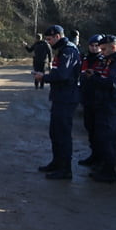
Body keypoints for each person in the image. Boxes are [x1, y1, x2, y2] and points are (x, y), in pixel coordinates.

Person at [37, 25, 82, 180]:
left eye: (49, 39)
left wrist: (43, 77)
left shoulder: (68, 51)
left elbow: (62, 75)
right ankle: (57, 163)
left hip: (66, 97)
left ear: (57, 36)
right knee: (55, 132)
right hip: (60, 96)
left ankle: (65, 169)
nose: (48, 42)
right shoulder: (63, 50)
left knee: (62, 134)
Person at [87, 35, 116, 183]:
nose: (101, 52)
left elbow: (111, 83)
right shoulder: (110, 61)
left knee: (108, 140)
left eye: (104, 49)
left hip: (112, 105)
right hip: (105, 104)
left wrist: (94, 78)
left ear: (113, 47)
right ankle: (104, 167)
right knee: (102, 138)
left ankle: (110, 172)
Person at [78, 33, 105, 167]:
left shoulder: (103, 60)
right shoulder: (86, 59)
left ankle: (100, 158)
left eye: (97, 46)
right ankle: (94, 155)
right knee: (89, 128)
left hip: (98, 99)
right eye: (92, 46)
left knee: (99, 132)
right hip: (87, 98)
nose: (94, 48)